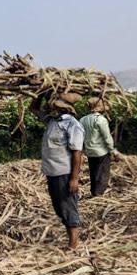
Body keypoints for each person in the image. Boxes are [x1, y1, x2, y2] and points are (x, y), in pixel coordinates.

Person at [31, 93, 85, 250]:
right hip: (52, 171)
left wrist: (74, 179)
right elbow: (33, 108)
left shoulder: (72, 125)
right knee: (58, 206)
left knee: (67, 206)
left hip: (64, 172)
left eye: (55, 105)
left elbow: (77, 153)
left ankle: (74, 244)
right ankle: (71, 241)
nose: (51, 107)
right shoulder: (52, 121)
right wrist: (40, 93)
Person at [80, 97, 118, 197]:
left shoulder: (82, 120)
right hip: (101, 151)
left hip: (89, 151)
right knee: (102, 173)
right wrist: (112, 150)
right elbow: (107, 137)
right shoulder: (101, 120)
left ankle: (94, 192)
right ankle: (98, 194)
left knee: (93, 172)